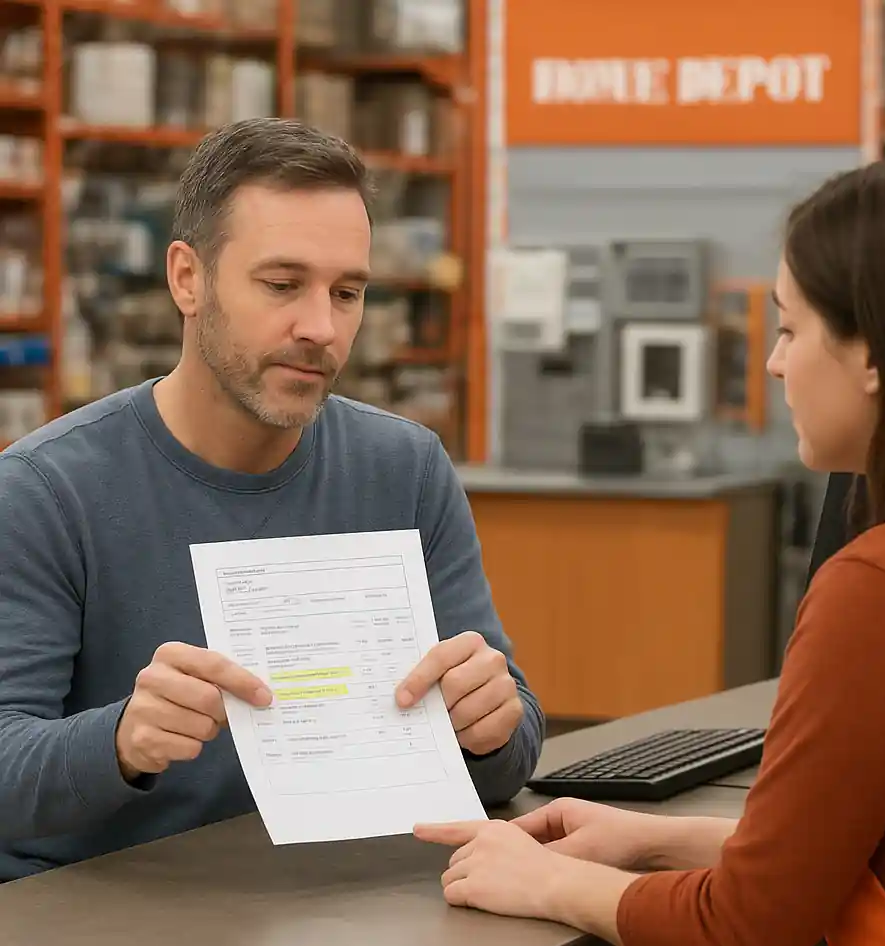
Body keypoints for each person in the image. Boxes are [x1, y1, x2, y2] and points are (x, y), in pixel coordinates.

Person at [415, 152, 885, 946]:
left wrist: (549, 882)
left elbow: (743, 931)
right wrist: (661, 840)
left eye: (790, 328)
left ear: (878, 354)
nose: (775, 366)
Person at [0, 117, 544, 882]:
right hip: (111, 937)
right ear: (187, 278)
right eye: (283, 285)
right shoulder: (45, 491)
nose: (320, 328)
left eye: (347, 292)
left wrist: (490, 727)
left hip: (346, 910)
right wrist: (120, 740)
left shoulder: (405, 470)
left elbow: (504, 762)